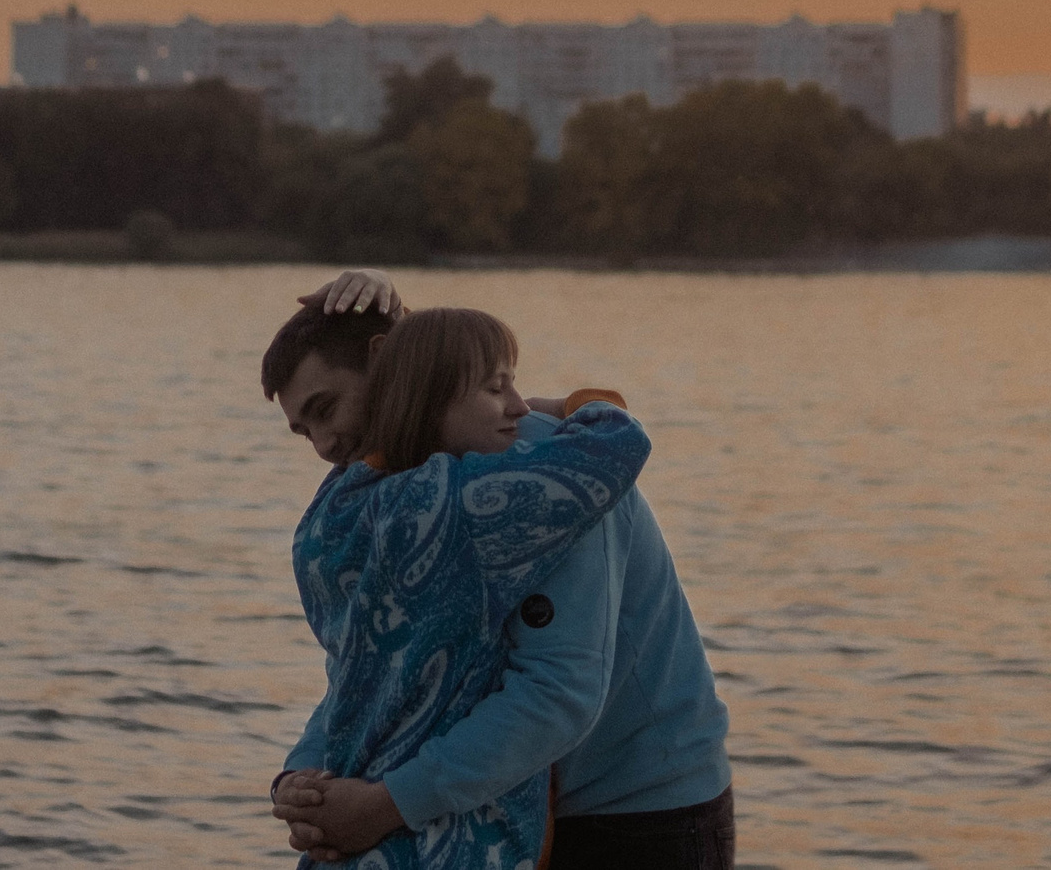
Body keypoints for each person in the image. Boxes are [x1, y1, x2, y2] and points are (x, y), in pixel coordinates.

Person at [265, 274, 735, 870]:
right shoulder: (399, 499)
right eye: (304, 430)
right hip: (495, 805)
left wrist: (384, 807)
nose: (325, 446)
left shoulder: (549, 473)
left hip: (634, 812)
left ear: (384, 360)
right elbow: (368, 671)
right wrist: (305, 779)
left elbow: (559, 692)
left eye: (327, 408)